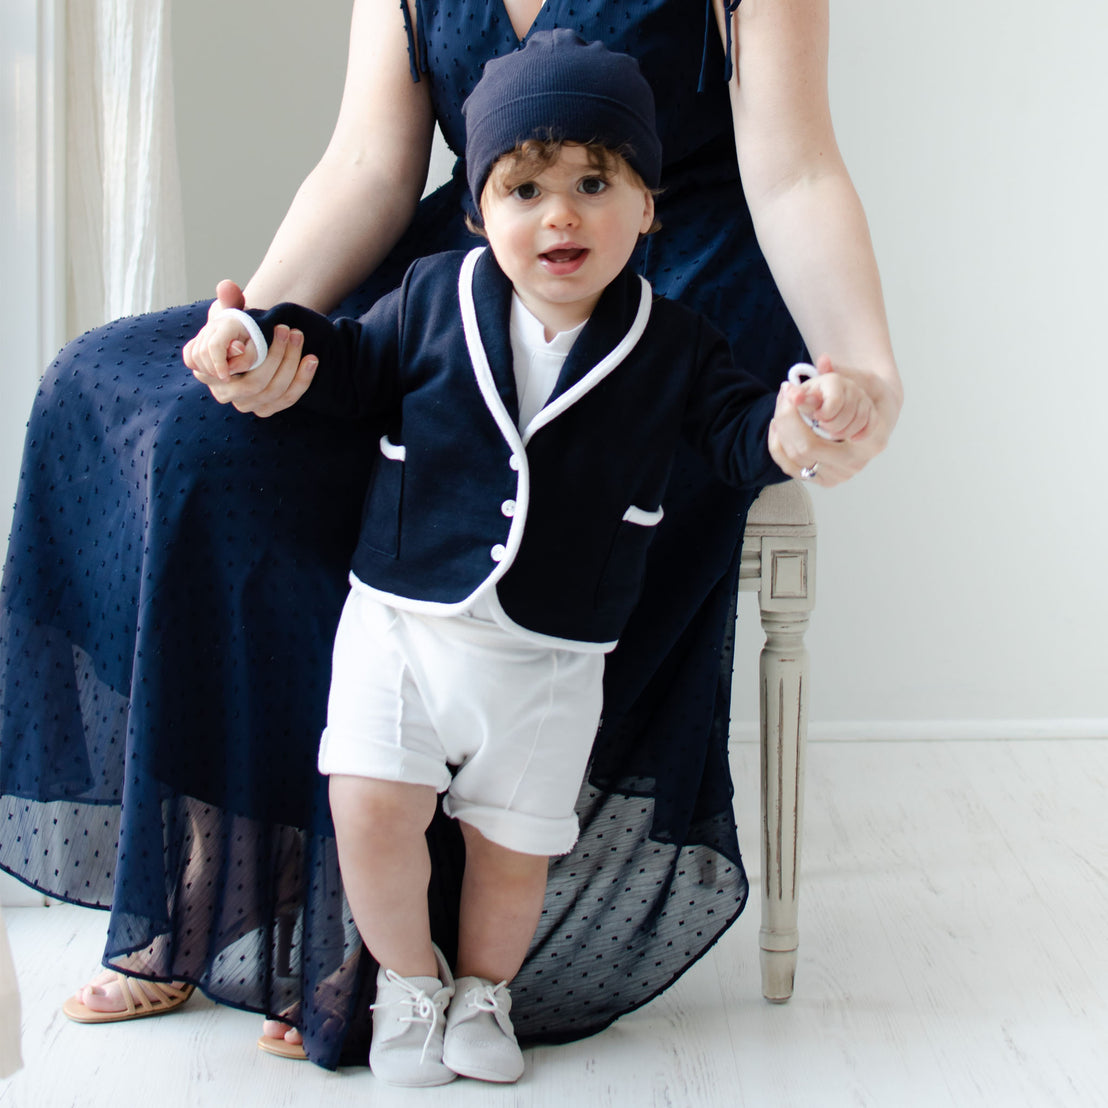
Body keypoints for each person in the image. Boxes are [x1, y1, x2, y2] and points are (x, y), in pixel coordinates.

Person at [0, 0, 901, 1071]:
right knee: (193, 431)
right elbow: (367, 169)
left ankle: (412, 937)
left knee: (539, 491)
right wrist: (256, 337)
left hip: (666, 277)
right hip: (482, 257)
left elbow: (793, 172)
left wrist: (863, 370)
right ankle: (283, 872)